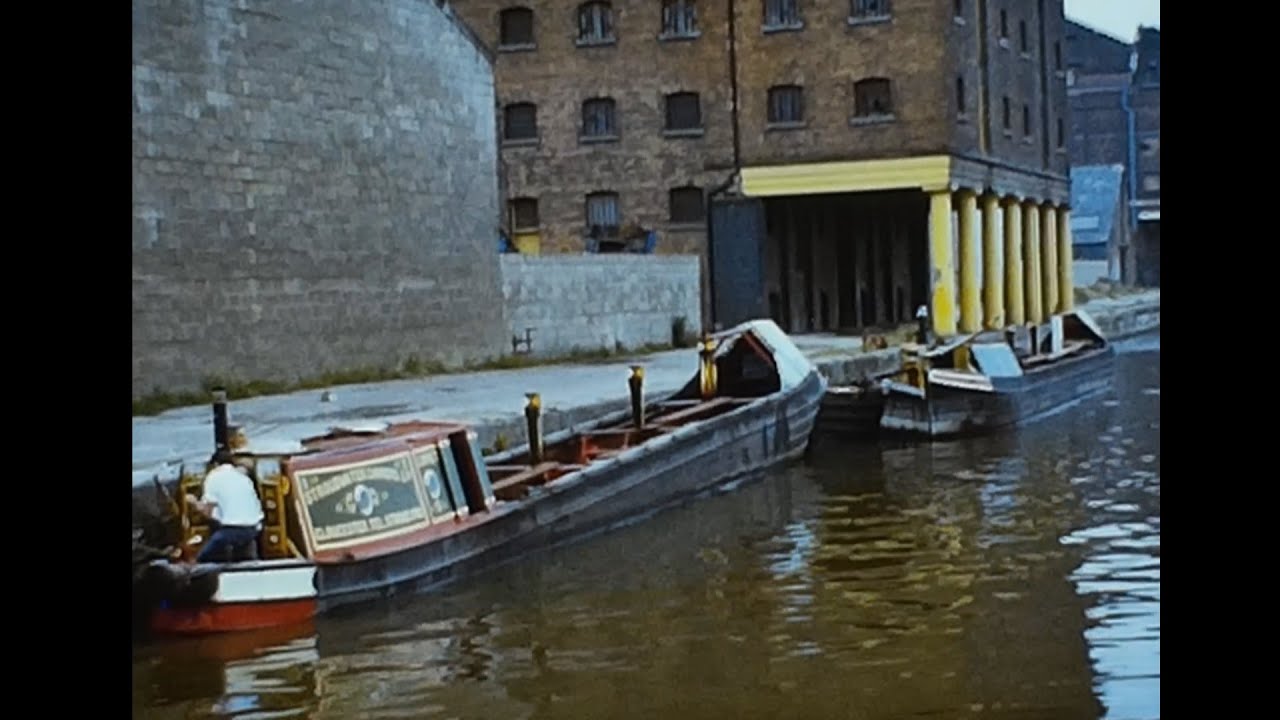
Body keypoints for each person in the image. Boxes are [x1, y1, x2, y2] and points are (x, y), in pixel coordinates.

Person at [185, 450, 264, 563]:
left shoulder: (214, 477)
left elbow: (207, 513)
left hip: (231, 531)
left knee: (201, 560)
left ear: (215, 464)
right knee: (244, 561)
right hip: (253, 529)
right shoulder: (243, 478)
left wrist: (193, 502)